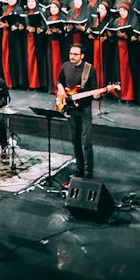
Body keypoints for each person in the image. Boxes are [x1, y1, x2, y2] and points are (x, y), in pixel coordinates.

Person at [55, 42, 99, 179]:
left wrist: (97, 93)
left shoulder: (89, 69)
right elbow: (59, 80)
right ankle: (79, 170)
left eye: (75, 54)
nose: (72, 56)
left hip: (84, 109)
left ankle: (88, 173)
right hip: (71, 108)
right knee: (75, 141)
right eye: (71, 54)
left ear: (82, 56)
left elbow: (94, 89)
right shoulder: (65, 66)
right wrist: (61, 88)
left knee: (86, 142)